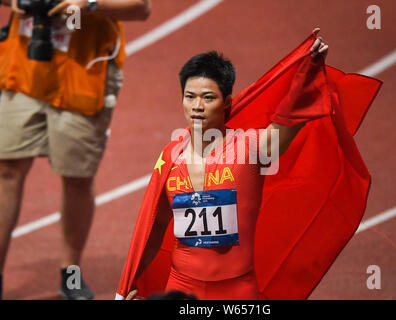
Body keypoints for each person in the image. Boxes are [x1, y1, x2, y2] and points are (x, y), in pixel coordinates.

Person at [117, 29, 330, 300]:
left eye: (208, 98)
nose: (197, 106)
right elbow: (155, 225)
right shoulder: (170, 158)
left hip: (237, 292)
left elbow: (291, 118)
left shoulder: (250, 149)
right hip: (181, 289)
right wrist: (129, 282)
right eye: (190, 96)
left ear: (227, 102)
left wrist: (308, 67)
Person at [0, 0, 151, 300]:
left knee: (77, 178)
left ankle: (70, 275)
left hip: (84, 75)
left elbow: (140, 7)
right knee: (6, 171)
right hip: (25, 71)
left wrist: (89, 3)